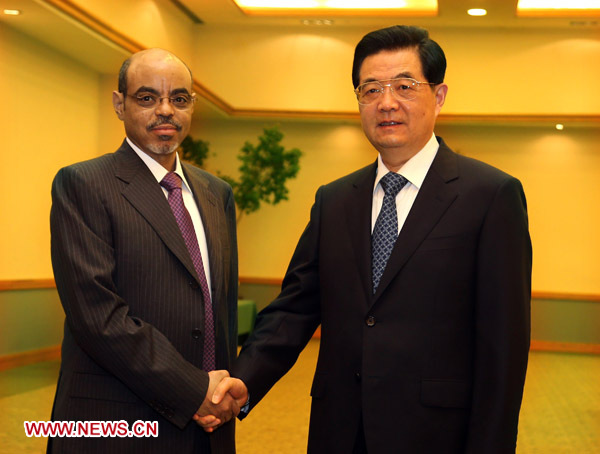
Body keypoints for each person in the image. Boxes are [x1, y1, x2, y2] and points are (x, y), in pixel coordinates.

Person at [216, 25, 532, 453]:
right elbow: (294, 307)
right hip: (340, 431)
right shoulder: (334, 200)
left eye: (404, 85)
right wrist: (243, 379)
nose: (387, 102)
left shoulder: (490, 195)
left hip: (436, 436)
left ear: (438, 96)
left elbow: (504, 351)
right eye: (370, 89)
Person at [49, 48, 245, 453]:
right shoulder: (83, 185)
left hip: (207, 430)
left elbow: (219, 311)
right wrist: (194, 391)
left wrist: (221, 395)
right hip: (118, 425)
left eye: (179, 98)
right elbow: (98, 318)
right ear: (120, 104)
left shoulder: (216, 194)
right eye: (146, 97)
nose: (165, 110)